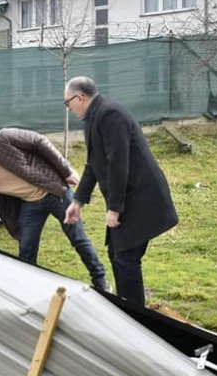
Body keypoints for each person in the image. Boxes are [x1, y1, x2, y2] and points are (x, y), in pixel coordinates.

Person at [63, 76, 178, 305]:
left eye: (68, 103)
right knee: (117, 254)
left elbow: (118, 162)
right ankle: (126, 307)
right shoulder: (94, 118)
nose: (68, 108)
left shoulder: (110, 114)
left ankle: (135, 316)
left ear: (80, 97)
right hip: (129, 196)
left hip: (141, 196)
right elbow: (93, 163)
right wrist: (77, 202)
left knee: (125, 258)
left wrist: (114, 208)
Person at [0, 128, 109, 290]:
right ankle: (29, 289)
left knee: (77, 237)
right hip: (30, 203)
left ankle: (101, 280)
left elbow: (39, 141)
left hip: (54, 189)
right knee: (26, 250)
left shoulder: (2, 138)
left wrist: (65, 170)